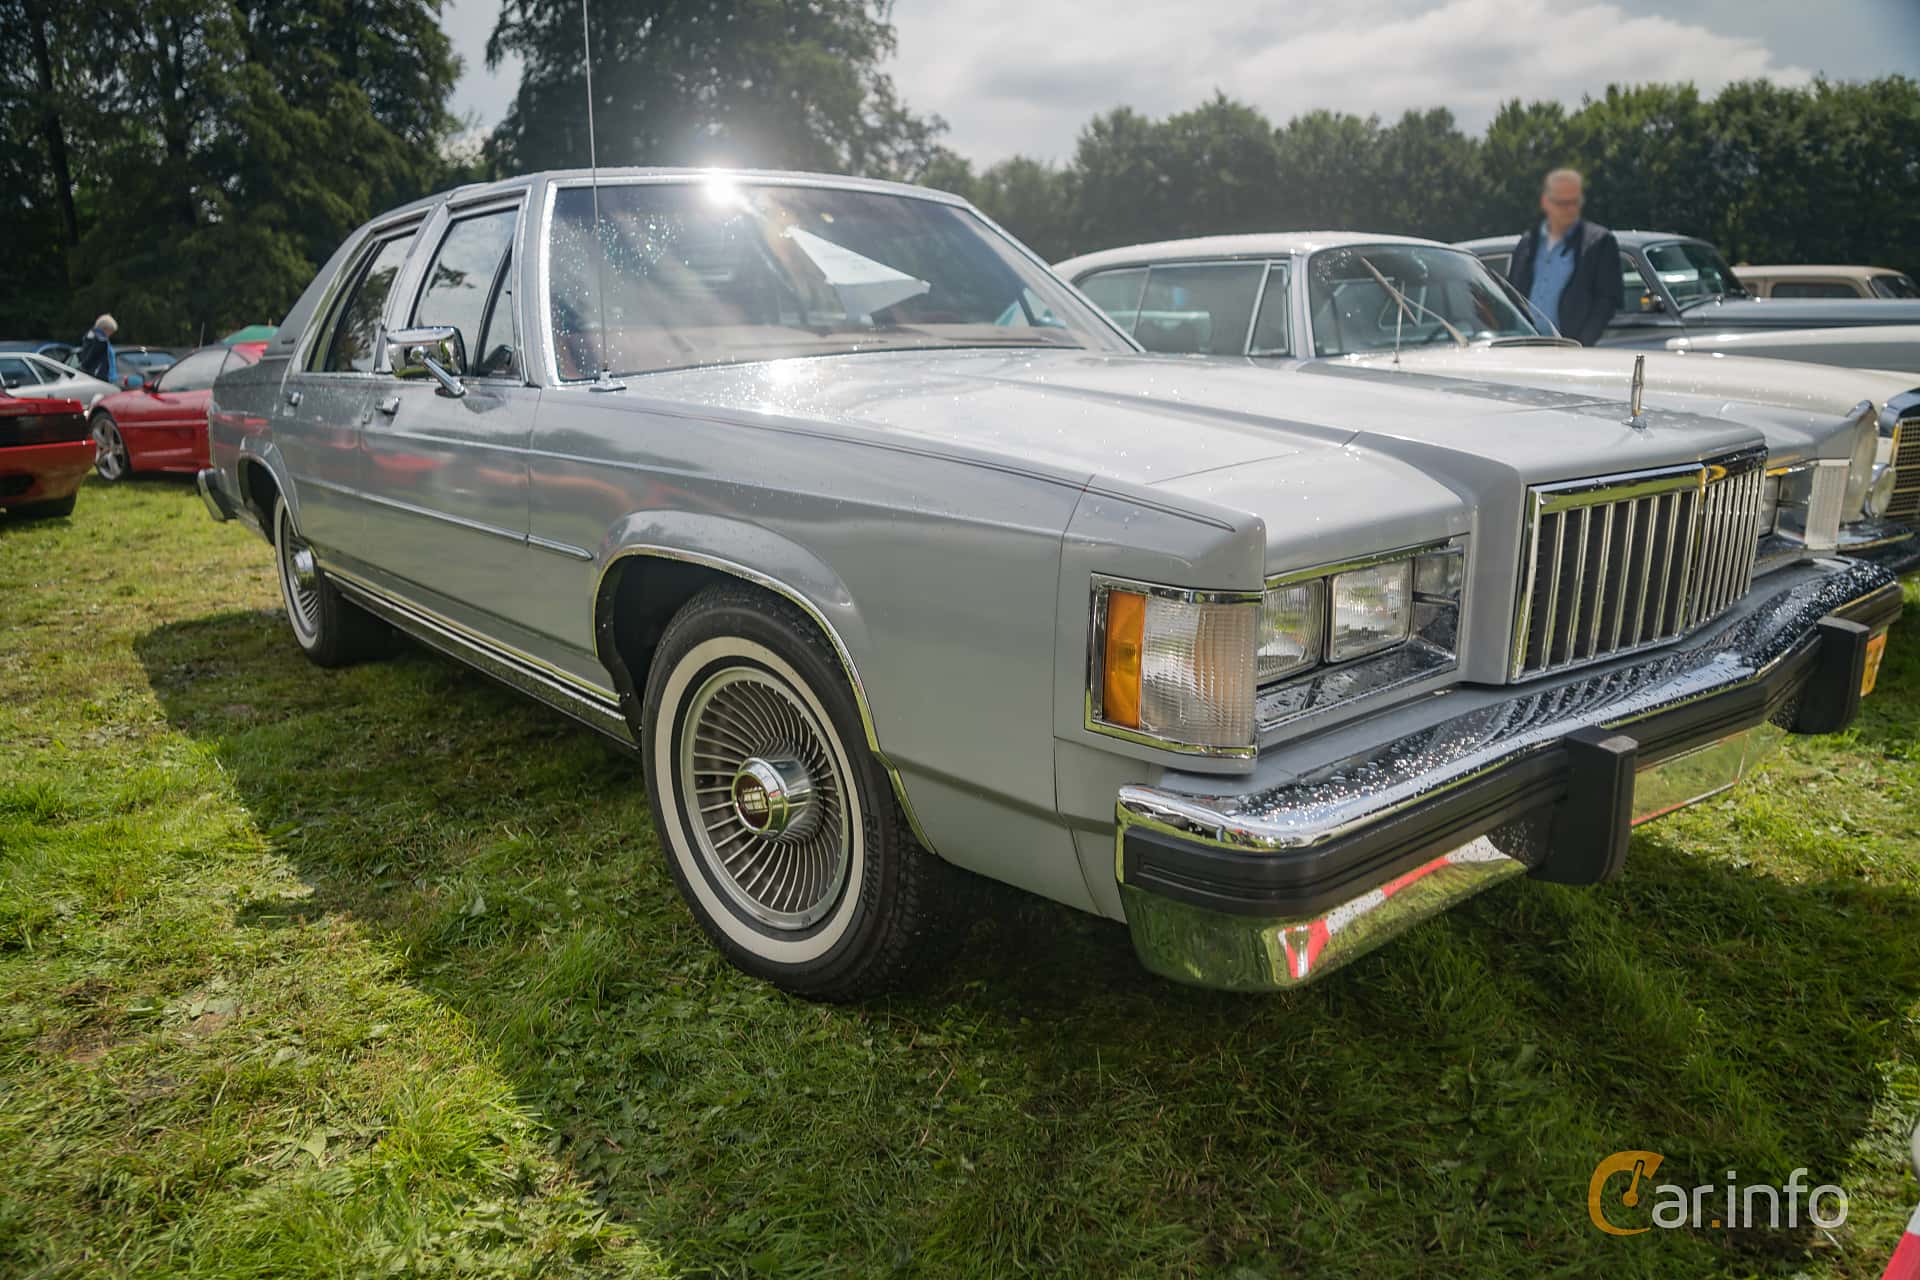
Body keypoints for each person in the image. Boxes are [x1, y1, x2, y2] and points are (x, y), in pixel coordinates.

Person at [1506, 170, 1618, 346]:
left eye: (1575, 202)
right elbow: (1511, 294)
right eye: (1562, 203)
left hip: (1569, 350)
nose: (1570, 209)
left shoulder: (1598, 242)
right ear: (1545, 202)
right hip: (1525, 348)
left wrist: (1581, 345)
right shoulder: (1528, 243)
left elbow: (1606, 302)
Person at [75, 314, 119, 384]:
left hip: (93, 377)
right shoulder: (101, 340)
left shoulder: (90, 336)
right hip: (101, 378)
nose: (111, 334)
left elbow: (85, 357)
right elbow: (91, 357)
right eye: (111, 331)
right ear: (105, 328)